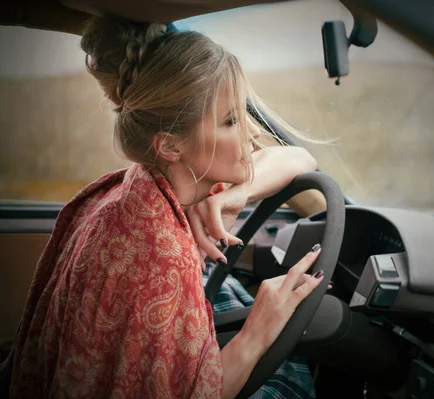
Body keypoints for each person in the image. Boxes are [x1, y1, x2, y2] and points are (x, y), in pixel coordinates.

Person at [8, 15, 326, 398]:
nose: (254, 132)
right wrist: (257, 331)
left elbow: (299, 157)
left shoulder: (127, 190)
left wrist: (240, 192)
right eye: (230, 121)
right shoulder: (162, 255)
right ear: (171, 145)